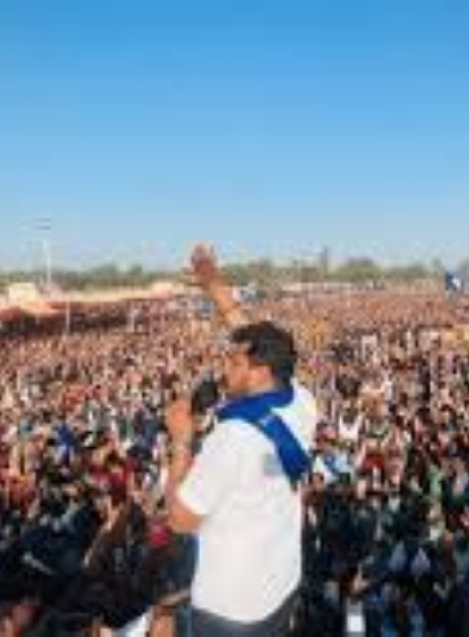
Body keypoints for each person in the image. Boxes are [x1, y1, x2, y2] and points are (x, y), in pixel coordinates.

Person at [165, 244, 318, 635]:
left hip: (231, 610)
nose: (224, 370)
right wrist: (214, 285)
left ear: (261, 372)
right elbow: (247, 332)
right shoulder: (301, 400)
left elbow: (180, 521)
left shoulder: (233, 438)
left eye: (234, 363)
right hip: (282, 583)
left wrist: (181, 441)